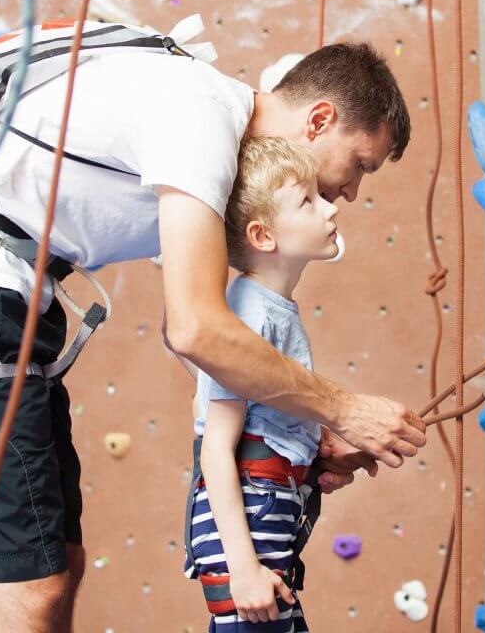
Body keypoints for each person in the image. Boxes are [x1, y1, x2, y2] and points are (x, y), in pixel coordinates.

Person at [0, 22, 427, 632]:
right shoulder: (201, 118)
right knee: (31, 586)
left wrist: (301, 426)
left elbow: (195, 336)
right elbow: (197, 331)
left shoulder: (209, 132)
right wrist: (344, 409)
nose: (351, 192)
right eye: (359, 164)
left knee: (59, 563)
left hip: (3, 300)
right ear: (319, 120)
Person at [185, 135, 339, 632]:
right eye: (308, 201)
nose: (330, 208)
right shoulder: (251, 314)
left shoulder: (268, 308)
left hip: (266, 508)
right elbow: (216, 445)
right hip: (248, 521)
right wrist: (243, 569)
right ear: (264, 235)